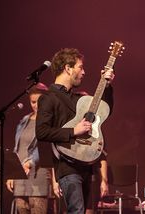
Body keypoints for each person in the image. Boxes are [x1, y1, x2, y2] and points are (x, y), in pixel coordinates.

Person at [36, 48, 115, 213]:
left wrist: (107, 85)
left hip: (86, 163)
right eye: (80, 67)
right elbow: (41, 132)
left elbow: (104, 111)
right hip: (67, 165)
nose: (84, 72)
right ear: (67, 68)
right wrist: (73, 131)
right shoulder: (48, 98)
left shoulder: (80, 98)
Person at [6, 83, 51, 214]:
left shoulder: (49, 121)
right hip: (20, 175)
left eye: (39, 102)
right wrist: (11, 173)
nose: (36, 105)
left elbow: (44, 146)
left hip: (38, 174)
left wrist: (30, 163)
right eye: (33, 102)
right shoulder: (24, 120)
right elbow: (17, 148)